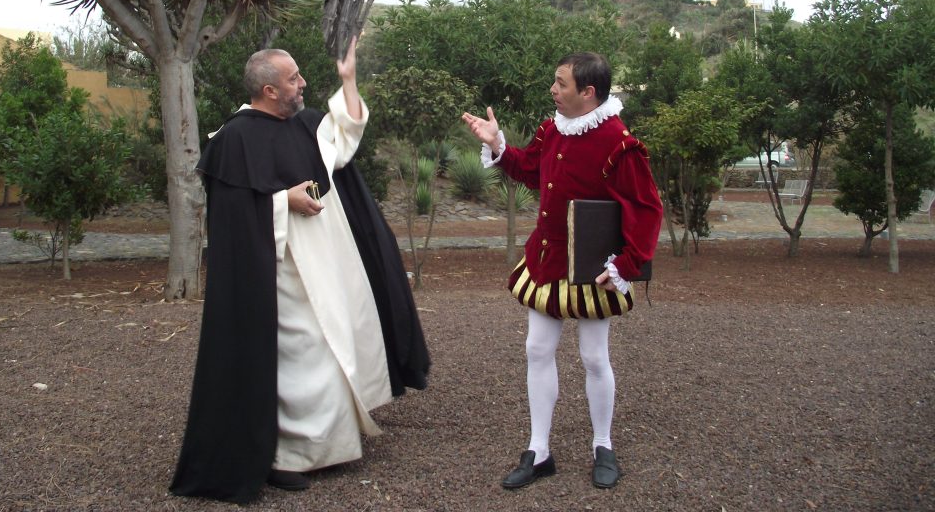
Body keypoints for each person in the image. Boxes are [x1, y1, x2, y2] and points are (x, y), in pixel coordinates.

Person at [171, 37, 429, 504]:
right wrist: (281, 200)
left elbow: (344, 137)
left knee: (335, 343)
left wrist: (349, 82)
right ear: (269, 90)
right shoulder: (235, 139)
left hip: (327, 258)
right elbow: (231, 215)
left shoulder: (306, 123)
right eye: (293, 78)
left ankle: (331, 443)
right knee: (303, 354)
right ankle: (287, 455)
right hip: (282, 268)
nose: (302, 83)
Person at [462, 52, 662, 491]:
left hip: (595, 269)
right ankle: (539, 450)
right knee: (537, 349)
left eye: (561, 83)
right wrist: (497, 144)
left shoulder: (618, 141)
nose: (553, 90)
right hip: (546, 260)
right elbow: (532, 170)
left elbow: (647, 209)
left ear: (587, 92)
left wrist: (626, 265)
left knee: (594, 356)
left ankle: (603, 445)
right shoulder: (553, 127)